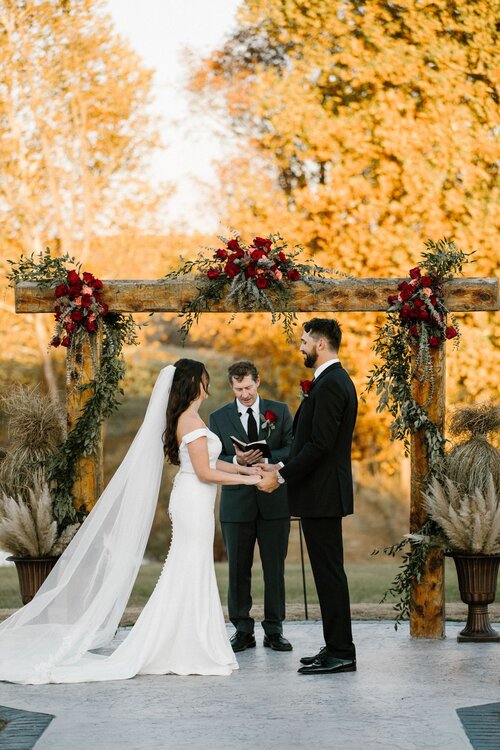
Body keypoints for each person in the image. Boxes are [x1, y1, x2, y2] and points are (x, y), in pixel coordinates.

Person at [0, 359, 262, 684]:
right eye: (204, 379)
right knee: (190, 567)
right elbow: (206, 472)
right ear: (195, 383)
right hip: (194, 501)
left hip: (194, 497)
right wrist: (252, 482)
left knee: (190, 568)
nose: (208, 385)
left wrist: (247, 470)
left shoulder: (186, 418)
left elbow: (209, 463)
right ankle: (186, 645)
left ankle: (187, 642)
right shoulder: (191, 421)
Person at [257, 319, 357, 675]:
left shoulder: (331, 385)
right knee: (327, 572)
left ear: (321, 344)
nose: (299, 347)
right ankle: (335, 646)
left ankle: (342, 651)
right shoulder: (329, 381)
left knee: (329, 574)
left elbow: (320, 446)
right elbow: (309, 444)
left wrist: (281, 477)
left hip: (323, 495)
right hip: (320, 494)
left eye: (303, 341)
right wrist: (279, 465)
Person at [209, 361, 293, 652]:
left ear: (258, 381)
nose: (244, 393)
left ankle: (275, 630)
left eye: (248, 387)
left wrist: (270, 462)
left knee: (274, 569)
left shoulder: (280, 411)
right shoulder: (218, 417)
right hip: (236, 505)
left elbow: (294, 446)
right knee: (238, 570)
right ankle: (242, 630)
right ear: (231, 386)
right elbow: (213, 455)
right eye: (238, 388)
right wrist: (236, 461)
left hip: (274, 503)